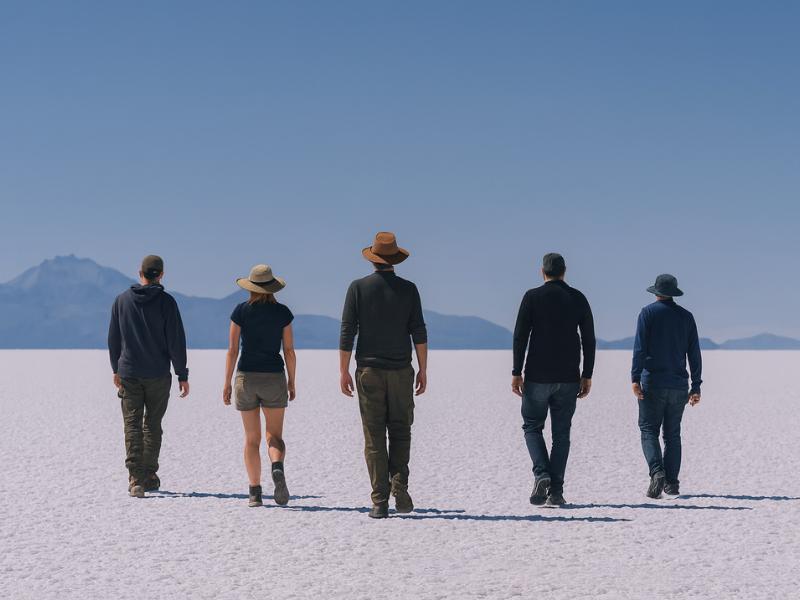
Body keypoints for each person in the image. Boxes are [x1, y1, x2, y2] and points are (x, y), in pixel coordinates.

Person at [339, 232, 428, 519]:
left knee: (374, 436)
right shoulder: (409, 289)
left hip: (369, 371)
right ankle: (399, 485)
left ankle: (379, 501)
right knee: (401, 431)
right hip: (401, 370)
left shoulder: (358, 288)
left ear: (373, 259)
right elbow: (419, 331)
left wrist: (342, 370)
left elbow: (347, 331)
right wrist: (423, 368)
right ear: (395, 260)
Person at [512, 253, 595, 507]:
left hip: (537, 376)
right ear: (564, 271)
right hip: (569, 378)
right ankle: (556, 492)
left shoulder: (532, 297)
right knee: (561, 435)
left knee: (532, 427)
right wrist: (587, 374)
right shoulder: (578, 298)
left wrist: (516, 371)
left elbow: (520, 336)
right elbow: (589, 339)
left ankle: (542, 475)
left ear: (542, 272)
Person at [108, 255, 190, 498]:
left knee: (132, 425)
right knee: (152, 425)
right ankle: (149, 475)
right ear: (161, 275)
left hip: (129, 373)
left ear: (139, 272)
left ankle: (135, 477)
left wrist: (116, 368)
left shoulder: (121, 301)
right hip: (157, 374)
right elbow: (176, 341)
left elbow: (113, 339)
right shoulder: (167, 302)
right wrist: (182, 374)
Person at [223, 264, 296, 508]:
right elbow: (289, 350)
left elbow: (233, 350)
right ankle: (277, 465)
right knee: (274, 436)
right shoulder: (282, 313)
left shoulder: (240, 311)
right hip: (274, 377)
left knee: (251, 439)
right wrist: (292, 381)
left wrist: (227, 383)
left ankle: (255, 492)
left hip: (246, 378)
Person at [632, 274, 702, 498]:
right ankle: (671, 483)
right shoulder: (686, 317)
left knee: (648, 430)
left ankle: (657, 471)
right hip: (679, 385)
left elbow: (640, 349)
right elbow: (694, 354)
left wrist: (635, 378)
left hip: (653, 382)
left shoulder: (648, 313)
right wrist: (696, 385)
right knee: (672, 434)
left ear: (656, 292)